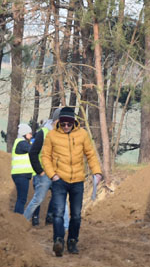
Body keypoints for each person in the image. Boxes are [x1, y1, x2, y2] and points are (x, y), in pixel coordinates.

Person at [41, 107, 103, 257]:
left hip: (77, 181)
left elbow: (91, 154)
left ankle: (72, 241)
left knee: (75, 215)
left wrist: (97, 172)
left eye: (69, 124)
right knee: (59, 213)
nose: (66, 127)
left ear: (74, 122)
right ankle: (58, 241)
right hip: (59, 180)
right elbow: (45, 157)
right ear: (59, 123)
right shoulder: (51, 136)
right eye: (63, 124)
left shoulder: (82, 135)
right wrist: (52, 175)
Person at [23, 111, 68, 228]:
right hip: (44, 174)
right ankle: (21, 224)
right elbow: (33, 153)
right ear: (56, 121)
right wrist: (40, 171)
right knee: (37, 200)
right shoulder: (43, 132)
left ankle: (66, 227)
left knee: (63, 201)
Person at [10, 123, 34, 216]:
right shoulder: (22, 143)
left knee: (21, 198)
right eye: (30, 133)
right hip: (21, 175)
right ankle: (17, 218)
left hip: (20, 174)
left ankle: (17, 217)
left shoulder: (20, 142)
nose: (31, 135)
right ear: (24, 133)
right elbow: (32, 149)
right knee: (22, 199)